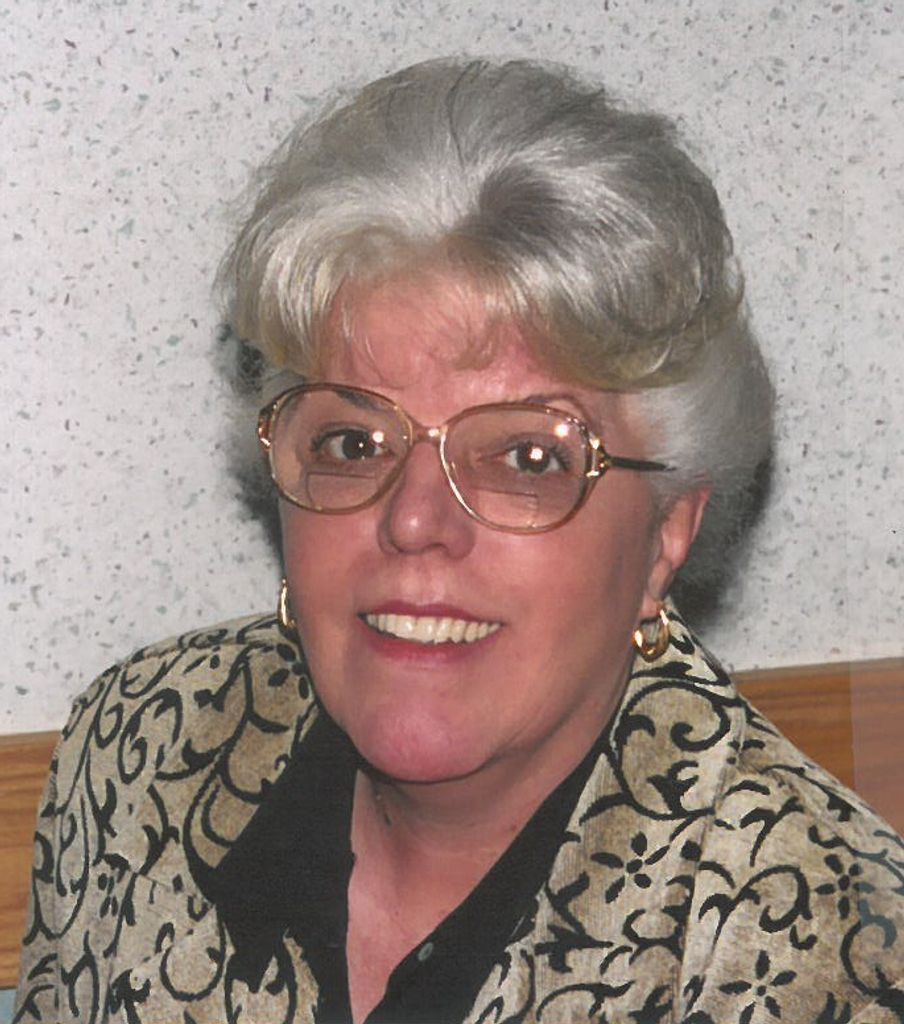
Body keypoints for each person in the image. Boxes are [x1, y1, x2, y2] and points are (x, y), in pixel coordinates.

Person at [14, 58, 904, 1024]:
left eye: (528, 457)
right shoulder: (137, 756)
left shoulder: (827, 956)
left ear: (664, 537)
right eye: (353, 442)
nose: (412, 521)